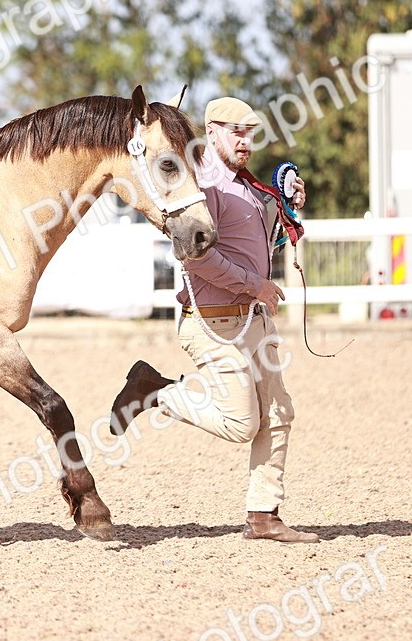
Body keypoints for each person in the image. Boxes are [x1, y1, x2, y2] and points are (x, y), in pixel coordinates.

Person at [109, 96, 318, 543]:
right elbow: (196, 257)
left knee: (279, 414)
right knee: (241, 423)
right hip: (214, 324)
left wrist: (286, 204)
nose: (246, 142)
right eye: (236, 132)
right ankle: (156, 392)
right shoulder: (201, 183)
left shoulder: (246, 186)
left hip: (252, 318)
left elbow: (260, 247)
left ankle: (263, 515)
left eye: (251, 134)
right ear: (213, 130)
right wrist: (254, 284)